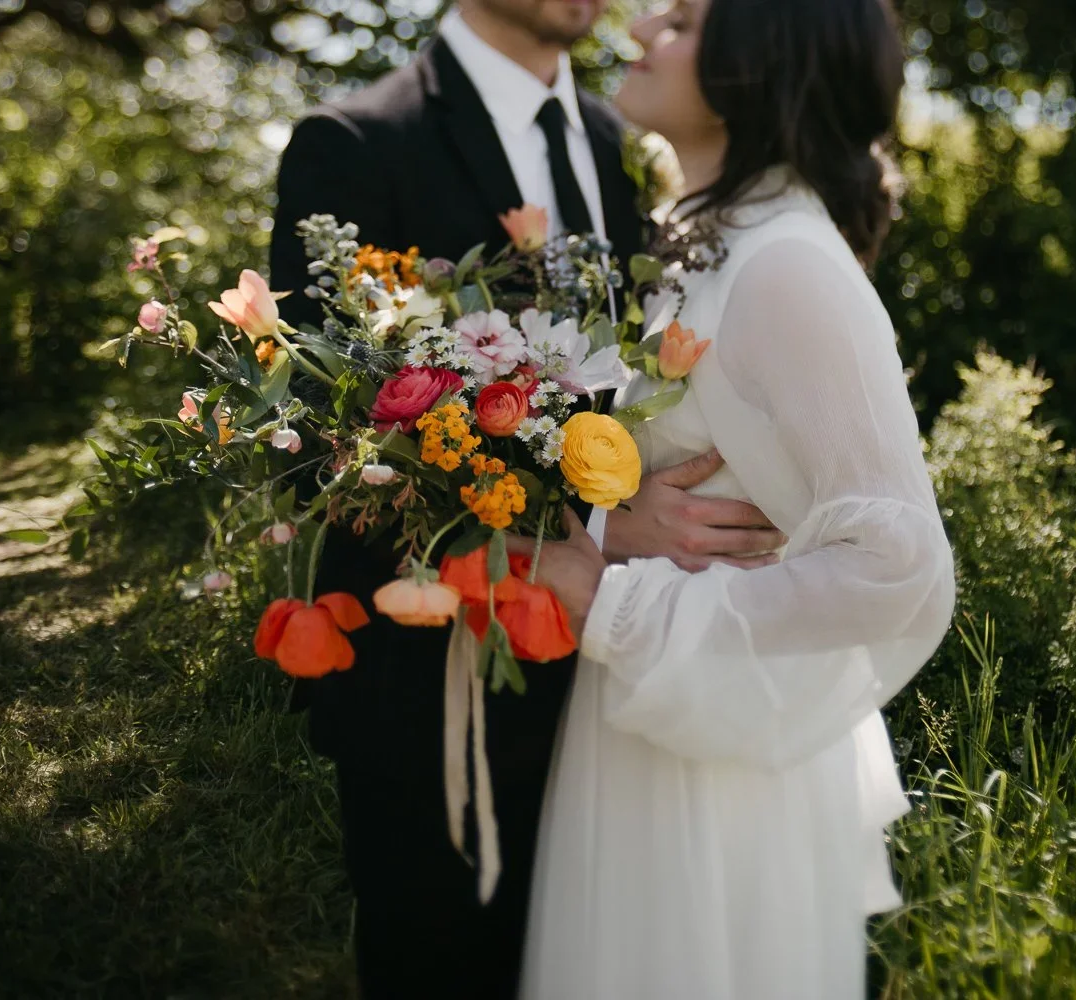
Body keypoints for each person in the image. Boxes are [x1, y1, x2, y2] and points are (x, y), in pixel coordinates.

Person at [267, 3, 785, 997]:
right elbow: (320, 448)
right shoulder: (358, 144)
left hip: (619, 687)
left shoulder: (621, 141)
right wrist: (593, 522)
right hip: (434, 693)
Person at [517, 0, 958, 997]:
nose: (638, 32)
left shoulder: (789, 264)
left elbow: (901, 564)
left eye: (677, 23)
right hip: (648, 719)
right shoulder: (703, 240)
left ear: (761, 62)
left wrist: (615, 603)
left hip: (715, 760)